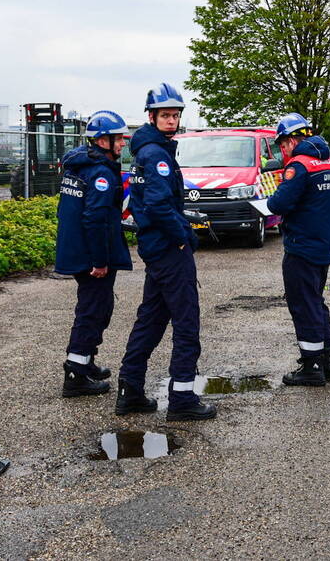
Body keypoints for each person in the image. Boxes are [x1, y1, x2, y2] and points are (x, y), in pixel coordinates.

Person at [116, 82, 216, 421]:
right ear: (152, 116)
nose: (171, 121)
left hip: (155, 248)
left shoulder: (148, 149)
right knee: (187, 322)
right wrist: (183, 236)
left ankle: (130, 391)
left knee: (152, 319)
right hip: (168, 249)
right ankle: (183, 399)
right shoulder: (156, 155)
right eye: (165, 115)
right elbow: (159, 205)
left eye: (175, 115)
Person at [55, 110, 133, 398]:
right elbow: (95, 219)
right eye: (119, 139)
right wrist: (100, 261)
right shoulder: (100, 172)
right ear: (103, 141)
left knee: (98, 307)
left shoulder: (79, 164)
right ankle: (76, 375)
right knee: (93, 311)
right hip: (91, 254)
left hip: (75, 248)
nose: (123, 144)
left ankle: (86, 362)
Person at [266, 113, 330, 386]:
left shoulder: (298, 166)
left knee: (303, 304)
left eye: (282, 145)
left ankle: (311, 367)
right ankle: (327, 362)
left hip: (301, 245)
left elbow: (278, 204)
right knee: (317, 301)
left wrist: (275, 194)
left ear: (290, 140)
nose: (283, 151)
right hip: (324, 244)